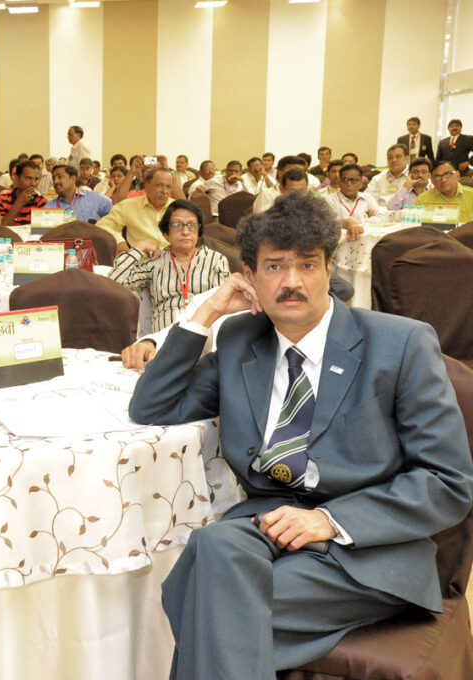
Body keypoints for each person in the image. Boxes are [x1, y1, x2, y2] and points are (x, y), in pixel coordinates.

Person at [130, 191, 473, 679]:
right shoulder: (238, 340)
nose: (292, 282)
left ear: (329, 268)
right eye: (274, 267)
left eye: (308, 265)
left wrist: (330, 520)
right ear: (248, 277)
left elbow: (447, 482)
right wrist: (205, 314)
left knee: (198, 587)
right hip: (266, 528)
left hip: (364, 551)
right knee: (213, 552)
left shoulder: (400, 344)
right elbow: (153, 405)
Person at [108, 199, 229, 331]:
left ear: (199, 231)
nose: (185, 231)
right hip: (164, 340)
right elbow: (114, 283)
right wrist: (139, 248)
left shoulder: (215, 260)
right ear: (166, 233)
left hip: (204, 337)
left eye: (191, 225)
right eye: (177, 225)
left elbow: (224, 305)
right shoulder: (155, 262)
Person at [97, 167, 175, 252]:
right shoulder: (128, 206)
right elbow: (102, 225)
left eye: (168, 187)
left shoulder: (177, 208)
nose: (164, 191)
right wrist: (119, 241)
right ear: (146, 185)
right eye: (159, 185)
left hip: (175, 259)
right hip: (143, 261)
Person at [325, 163, 385, 241]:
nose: (348, 184)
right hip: (340, 242)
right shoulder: (329, 200)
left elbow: (382, 217)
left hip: (365, 240)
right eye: (344, 180)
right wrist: (368, 219)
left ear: (361, 184)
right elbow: (328, 222)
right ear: (339, 183)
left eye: (353, 180)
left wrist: (358, 222)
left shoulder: (367, 198)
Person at [46, 164, 113, 223]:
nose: (55, 181)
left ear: (73, 179)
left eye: (60, 177)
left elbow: (115, 215)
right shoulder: (49, 206)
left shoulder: (95, 198)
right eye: (53, 178)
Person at [0, 160, 47, 227]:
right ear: (16, 179)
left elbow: (41, 231)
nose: (33, 183)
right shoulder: (2, 199)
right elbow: (2, 228)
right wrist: (19, 203)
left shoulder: (41, 202)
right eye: (28, 178)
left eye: (36, 179)